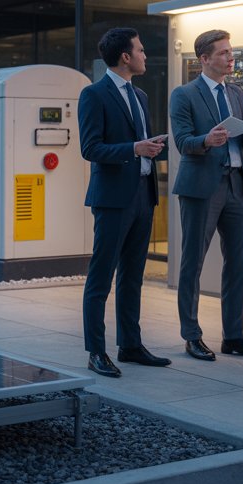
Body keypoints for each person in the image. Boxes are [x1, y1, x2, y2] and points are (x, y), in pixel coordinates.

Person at [170, 29, 243, 362]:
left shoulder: (237, 94)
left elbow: (240, 141)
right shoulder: (184, 94)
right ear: (205, 59)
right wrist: (206, 140)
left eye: (232, 52)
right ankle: (192, 335)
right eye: (225, 53)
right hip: (201, 188)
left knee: (239, 262)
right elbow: (183, 142)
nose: (232, 58)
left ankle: (233, 335)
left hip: (235, 186)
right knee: (192, 263)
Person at [77, 27, 171, 378]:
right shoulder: (94, 95)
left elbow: (140, 143)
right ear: (125, 57)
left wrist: (153, 146)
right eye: (141, 50)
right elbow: (90, 149)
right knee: (101, 278)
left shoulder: (141, 96)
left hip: (143, 196)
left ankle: (130, 345)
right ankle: (96, 351)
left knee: (133, 277)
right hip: (113, 199)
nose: (146, 56)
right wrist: (134, 148)